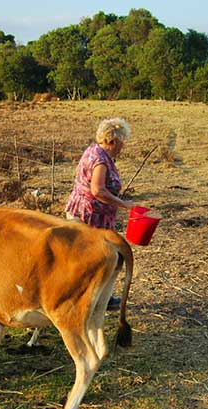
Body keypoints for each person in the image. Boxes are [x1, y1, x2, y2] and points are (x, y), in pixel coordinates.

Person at [65, 117, 138, 309]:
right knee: (94, 260)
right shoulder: (100, 160)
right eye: (122, 142)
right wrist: (124, 204)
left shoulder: (95, 151)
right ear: (112, 141)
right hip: (90, 216)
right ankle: (91, 300)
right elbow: (98, 190)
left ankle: (98, 297)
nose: (123, 146)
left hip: (87, 212)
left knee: (95, 259)